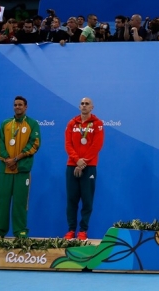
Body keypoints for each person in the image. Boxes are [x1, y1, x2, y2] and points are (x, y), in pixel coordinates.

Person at [0, 96, 41, 238]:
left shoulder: (32, 124)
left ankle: (20, 230)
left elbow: (34, 144)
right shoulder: (5, 123)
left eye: (20, 105)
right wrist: (7, 159)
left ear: (26, 107)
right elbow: (0, 145)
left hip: (22, 169)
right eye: (15, 105)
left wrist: (16, 159)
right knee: (2, 201)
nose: (17, 107)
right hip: (5, 169)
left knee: (20, 202)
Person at [63, 97, 105, 241]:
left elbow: (97, 145)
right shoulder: (71, 123)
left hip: (89, 166)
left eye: (87, 104)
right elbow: (68, 144)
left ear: (92, 107)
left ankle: (83, 231)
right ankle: (71, 230)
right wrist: (76, 160)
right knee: (71, 200)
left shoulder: (97, 124)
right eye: (82, 103)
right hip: (72, 165)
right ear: (79, 106)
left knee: (87, 200)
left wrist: (83, 162)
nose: (84, 105)